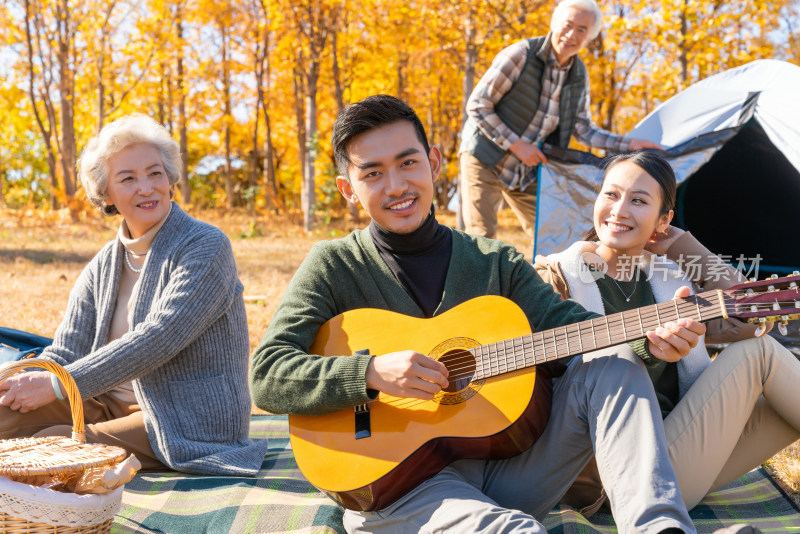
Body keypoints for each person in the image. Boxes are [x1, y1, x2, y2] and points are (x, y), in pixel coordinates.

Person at [250, 94, 710, 534]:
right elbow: (267, 374)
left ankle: (662, 527)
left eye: (408, 163)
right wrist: (369, 372)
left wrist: (646, 340)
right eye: (373, 173)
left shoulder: (495, 261)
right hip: (397, 486)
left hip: (511, 470)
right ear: (349, 189)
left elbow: (570, 329)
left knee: (616, 367)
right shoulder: (333, 266)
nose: (396, 186)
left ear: (433, 163)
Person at [0, 114, 269, 476]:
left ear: (171, 179)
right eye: (128, 178)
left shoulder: (206, 246)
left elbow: (160, 336)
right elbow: (66, 351)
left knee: (52, 445)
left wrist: (56, 384)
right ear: (106, 193)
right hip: (105, 403)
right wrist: (18, 378)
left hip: (184, 417)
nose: (146, 187)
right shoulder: (102, 265)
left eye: (155, 173)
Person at [533, 151, 800, 515]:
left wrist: (685, 247)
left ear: (664, 220)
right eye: (611, 194)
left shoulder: (668, 280)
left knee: (777, 391)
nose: (620, 210)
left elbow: (750, 320)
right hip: (621, 474)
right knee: (761, 356)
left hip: (682, 448)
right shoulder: (557, 277)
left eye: (639, 201)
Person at [459, 0, 661, 244]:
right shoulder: (521, 54)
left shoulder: (578, 76)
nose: (571, 35)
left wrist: (628, 145)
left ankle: (542, 281)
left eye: (581, 30)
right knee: (482, 236)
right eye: (567, 25)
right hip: (484, 156)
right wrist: (517, 145)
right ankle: (476, 282)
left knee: (551, 233)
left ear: (589, 37)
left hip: (526, 170)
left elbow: (583, 129)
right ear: (555, 24)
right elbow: (478, 105)